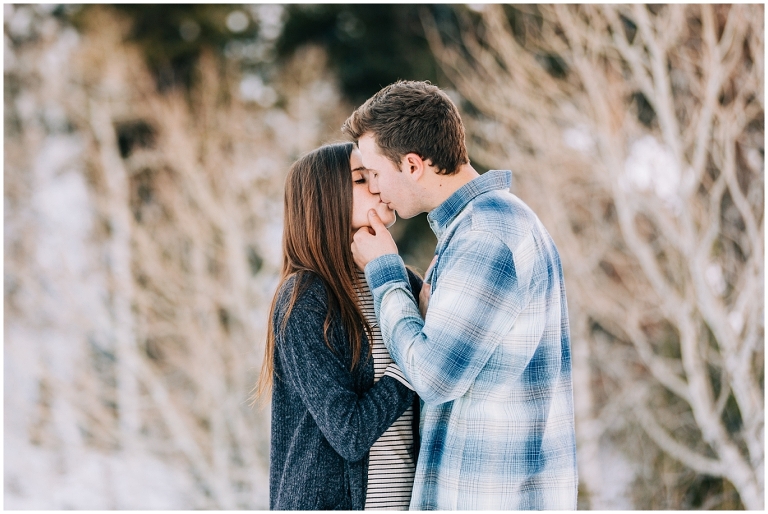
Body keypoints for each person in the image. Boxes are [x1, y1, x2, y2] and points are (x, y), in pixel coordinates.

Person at [343, 80, 578, 510]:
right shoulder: (483, 227)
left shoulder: (485, 236)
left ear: (412, 165)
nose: (374, 189)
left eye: (374, 173)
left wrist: (386, 273)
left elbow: (433, 377)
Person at [256, 142, 423, 510]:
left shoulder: (403, 283)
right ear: (325, 200)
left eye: (376, 174)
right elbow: (349, 432)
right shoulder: (306, 299)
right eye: (362, 179)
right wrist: (416, 360)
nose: (378, 186)